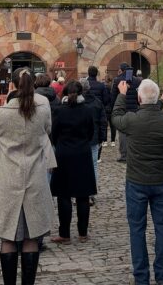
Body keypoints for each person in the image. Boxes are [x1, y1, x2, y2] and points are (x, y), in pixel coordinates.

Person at [0, 68, 56, 285]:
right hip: (34, 175)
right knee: (31, 236)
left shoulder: (0, 113)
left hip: (8, 178)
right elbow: (47, 130)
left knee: (8, 236)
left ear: (12, 84)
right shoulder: (43, 110)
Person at [112, 79, 163, 285]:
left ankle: (141, 276)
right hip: (161, 180)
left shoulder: (133, 120)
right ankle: (162, 275)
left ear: (139, 98)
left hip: (137, 181)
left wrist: (122, 94)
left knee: (137, 229)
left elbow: (115, 117)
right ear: (158, 96)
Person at [50, 81, 97, 244]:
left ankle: (65, 234)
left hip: (64, 155)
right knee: (83, 195)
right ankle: (83, 233)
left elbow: (53, 134)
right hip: (82, 154)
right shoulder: (87, 111)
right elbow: (91, 133)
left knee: (64, 196)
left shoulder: (59, 111)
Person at [113, 64, 141, 162]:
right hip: (134, 110)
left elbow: (113, 97)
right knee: (133, 132)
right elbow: (139, 96)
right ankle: (134, 153)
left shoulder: (117, 80)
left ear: (121, 70)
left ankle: (124, 155)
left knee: (122, 133)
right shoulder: (138, 80)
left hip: (122, 110)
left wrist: (114, 108)